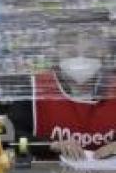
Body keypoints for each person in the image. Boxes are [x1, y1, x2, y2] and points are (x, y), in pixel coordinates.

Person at [8, 26, 115, 160]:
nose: (80, 61)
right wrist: (49, 145)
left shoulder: (113, 89)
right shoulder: (33, 88)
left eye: (90, 54)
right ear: (57, 53)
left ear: (103, 54)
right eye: (71, 53)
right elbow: (13, 142)